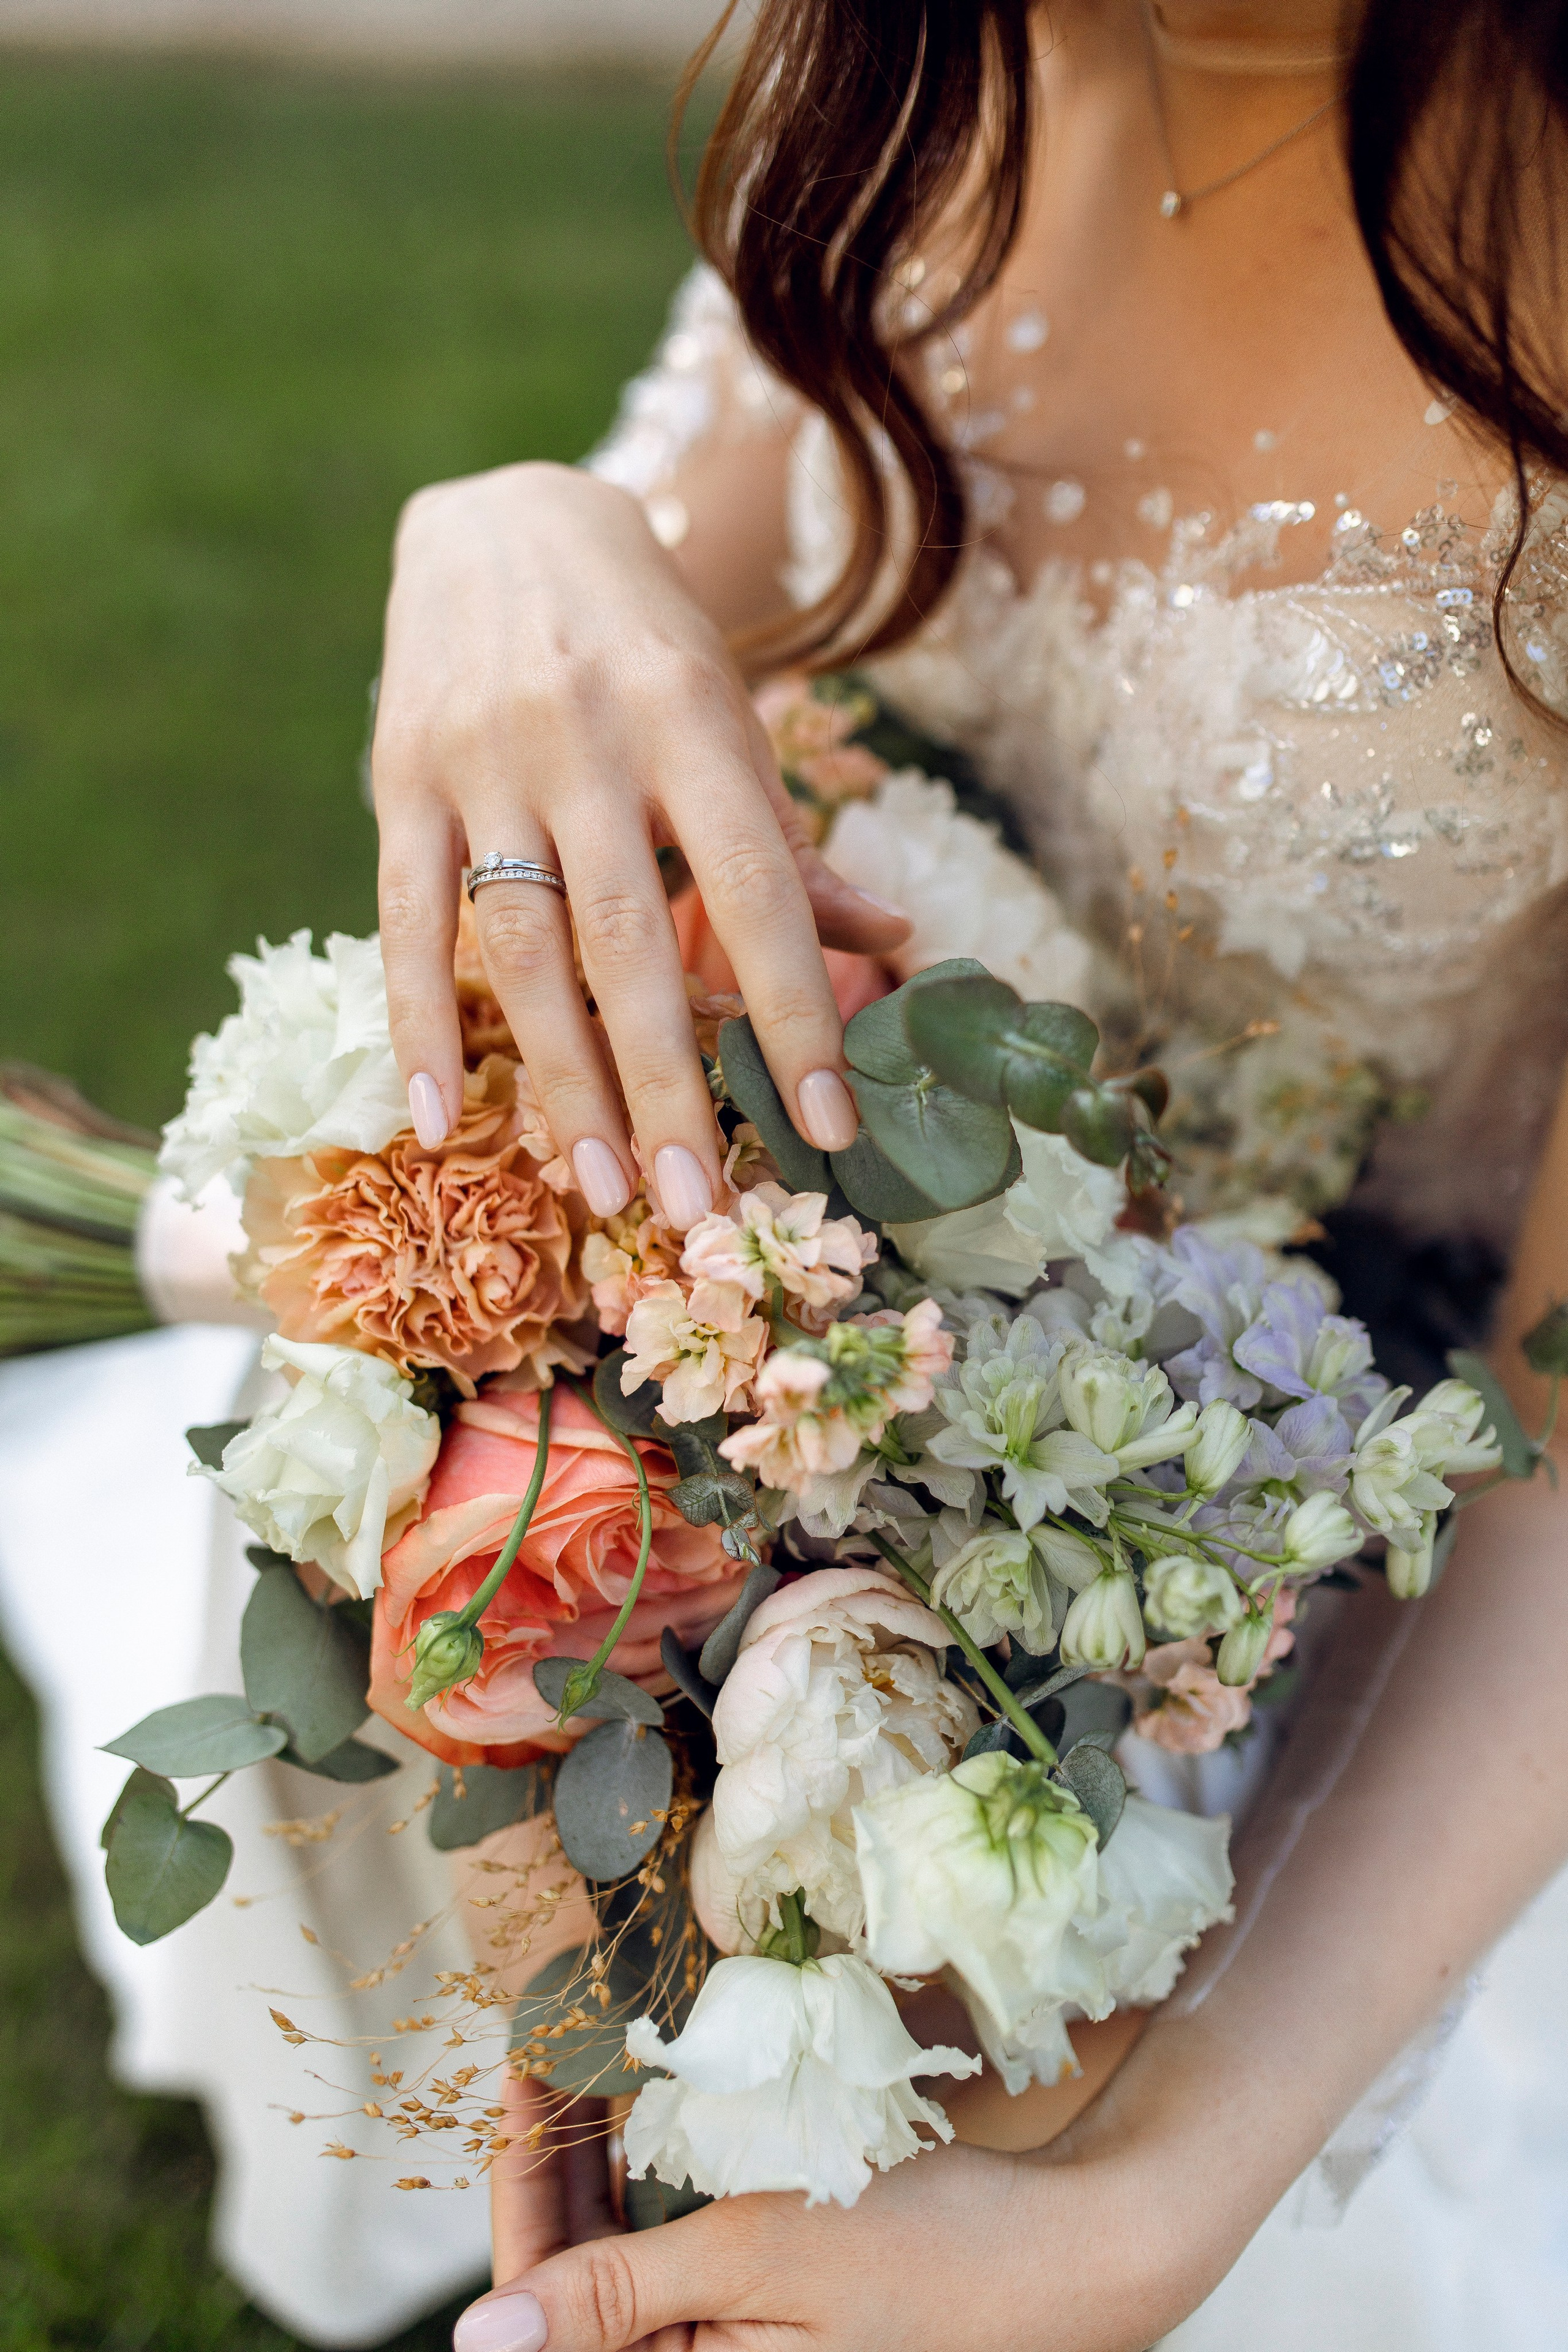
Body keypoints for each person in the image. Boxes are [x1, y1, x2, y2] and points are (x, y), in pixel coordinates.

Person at [369, 2, 1568, 2344]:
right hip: (891, 1372)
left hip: (1379, 1500)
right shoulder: (939, 76)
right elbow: (621, 766)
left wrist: (1155, 2202)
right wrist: (505, 536)